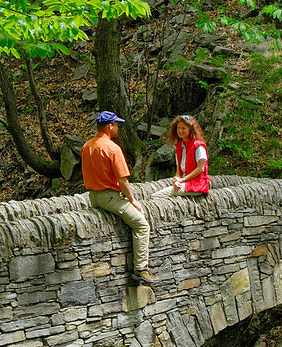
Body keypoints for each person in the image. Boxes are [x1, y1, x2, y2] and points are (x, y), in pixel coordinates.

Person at [81, 110, 157, 286]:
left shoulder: (87, 146)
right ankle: (141, 269)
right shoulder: (112, 148)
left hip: (93, 197)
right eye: (116, 125)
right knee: (142, 225)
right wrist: (132, 200)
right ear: (109, 126)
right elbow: (122, 180)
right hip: (110, 198)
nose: (117, 128)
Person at [153, 114, 210, 197]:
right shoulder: (180, 146)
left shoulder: (198, 146)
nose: (180, 131)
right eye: (178, 128)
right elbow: (178, 171)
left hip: (196, 185)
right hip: (184, 182)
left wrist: (182, 180)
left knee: (156, 196)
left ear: (190, 129)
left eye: (183, 128)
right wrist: (177, 180)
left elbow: (201, 168)